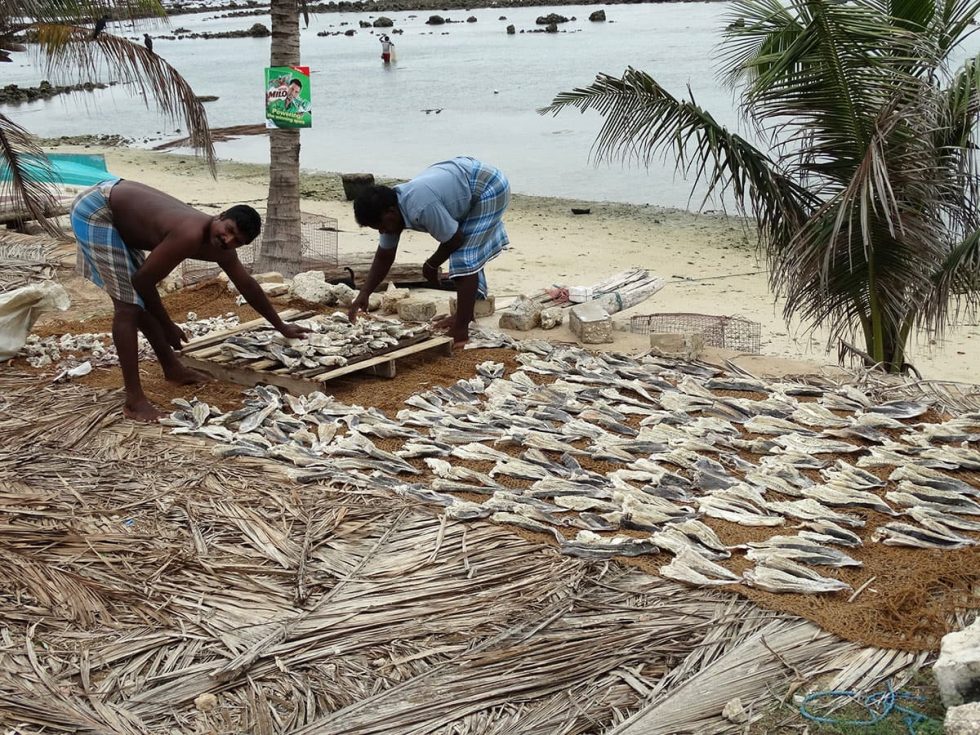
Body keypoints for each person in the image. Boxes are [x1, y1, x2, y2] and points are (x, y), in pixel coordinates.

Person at [69, 178, 309, 423]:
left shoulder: (222, 249)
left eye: (237, 241)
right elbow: (142, 282)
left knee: (136, 300)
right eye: (228, 230)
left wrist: (281, 325)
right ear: (220, 215)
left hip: (115, 204)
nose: (228, 240)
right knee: (128, 307)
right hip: (97, 209)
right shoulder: (190, 233)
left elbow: (247, 285)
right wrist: (166, 326)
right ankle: (134, 402)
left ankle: (172, 369)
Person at [349, 156, 510, 346]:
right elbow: (384, 256)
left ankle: (461, 329)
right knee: (466, 255)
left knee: (463, 258)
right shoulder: (390, 211)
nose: (382, 231)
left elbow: (454, 239)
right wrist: (364, 294)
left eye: (381, 226)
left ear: (390, 212)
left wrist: (431, 264)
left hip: (488, 185)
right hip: (462, 180)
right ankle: (463, 317)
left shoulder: (421, 206)